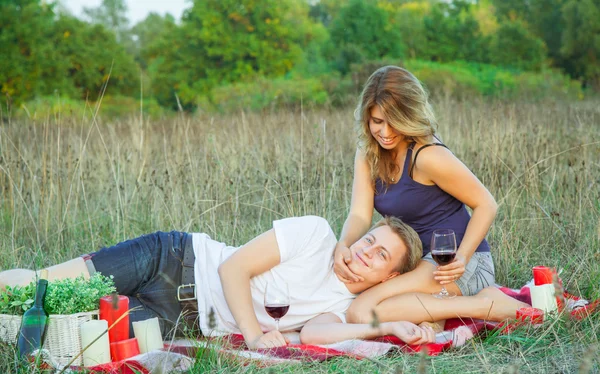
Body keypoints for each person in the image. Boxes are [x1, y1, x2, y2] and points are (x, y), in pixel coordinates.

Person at [1, 215, 445, 349]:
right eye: (369, 240)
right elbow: (233, 268)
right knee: (44, 288)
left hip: (177, 321)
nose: (364, 252)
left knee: (70, 326)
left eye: (379, 255)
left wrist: (384, 327)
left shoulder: (339, 302)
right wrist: (254, 335)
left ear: (389, 276)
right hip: (172, 259)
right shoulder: (316, 234)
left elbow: (316, 333)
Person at [333, 65, 500, 325]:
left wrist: (463, 257)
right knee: (361, 304)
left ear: (408, 117)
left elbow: (486, 204)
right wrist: (343, 244)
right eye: (377, 122)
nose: (385, 133)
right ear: (366, 117)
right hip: (413, 264)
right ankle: (436, 313)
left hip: (454, 264)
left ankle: (487, 305)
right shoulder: (368, 153)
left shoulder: (427, 155)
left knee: (363, 311)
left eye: (394, 122)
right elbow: (359, 214)